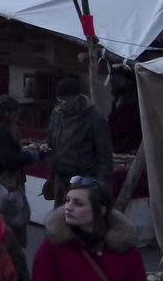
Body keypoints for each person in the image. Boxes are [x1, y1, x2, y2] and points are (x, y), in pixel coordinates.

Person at [0, 95, 44, 246]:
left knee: (9, 225)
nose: (18, 114)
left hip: (9, 182)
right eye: (16, 111)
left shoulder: (4, 130)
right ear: (7, 113)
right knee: (7, 224)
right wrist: (33, 155)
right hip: (5, 184)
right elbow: (9, 161)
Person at [46, 77, 114, 205]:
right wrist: (47, 144)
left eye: (68, 99)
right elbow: (51, 135)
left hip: (83, 181)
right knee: (60, 220)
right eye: (60, 99)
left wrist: (101, 185)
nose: (64, 103)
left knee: (79, 220)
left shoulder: (95, 119)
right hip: (60, 178)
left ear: (77, 97)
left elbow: (105, 155)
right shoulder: (56, 114)